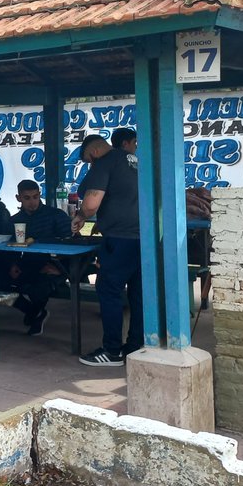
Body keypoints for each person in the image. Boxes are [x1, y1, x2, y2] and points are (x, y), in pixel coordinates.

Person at [72, 135, 143, 366]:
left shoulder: (105, 162)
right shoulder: (134, 160)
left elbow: (91, 203)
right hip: (144, 237)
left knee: (108, 289)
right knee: (138, 293)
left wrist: (81, 216)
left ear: (92, 153)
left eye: (87, 161)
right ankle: (136, 346)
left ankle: (112, 351)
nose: (90, 165)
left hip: (120, 237)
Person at [3, 179, 72, 336]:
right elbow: (8, 246)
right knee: (1, 282)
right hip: (27, 264)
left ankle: (35, 314)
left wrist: (61, 268)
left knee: (39, 287)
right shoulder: (14, 220)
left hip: (55, 265)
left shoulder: (56, 216)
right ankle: (35, 312)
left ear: (40, 195)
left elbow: (73, 244)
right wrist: (12, 265)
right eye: (27, 198)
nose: (32, 202)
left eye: (35, 197)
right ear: (18, 198)